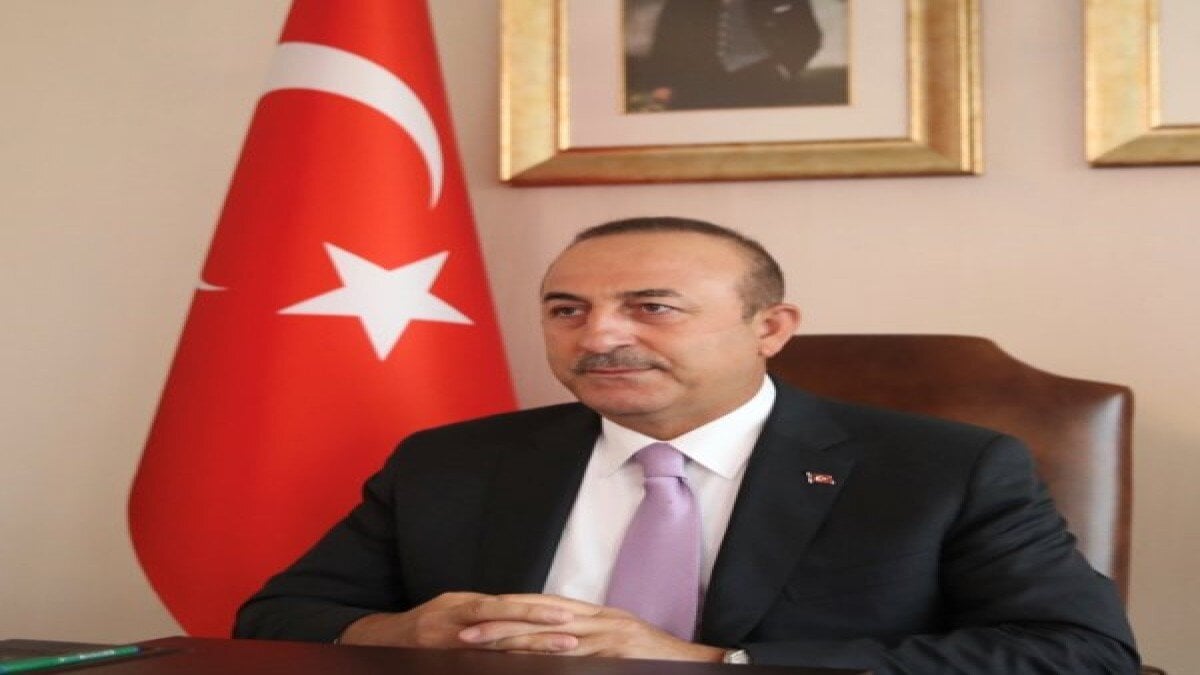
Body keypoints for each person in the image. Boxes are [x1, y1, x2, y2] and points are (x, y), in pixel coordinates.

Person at [235, 217, 1140, 673]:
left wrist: (711, 661)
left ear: (770, 327)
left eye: (652, 307)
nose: (599, 336)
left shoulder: (945, 468)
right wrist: (406, 630)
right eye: (567, 310)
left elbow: (1078, 652)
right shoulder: (452, 461)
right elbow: (275, 619)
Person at [626, 0, 835, 111]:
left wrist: (785, 69)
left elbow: (808, 36)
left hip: (761, 79)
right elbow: (667, 39)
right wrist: (663, 83)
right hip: (697, 83)